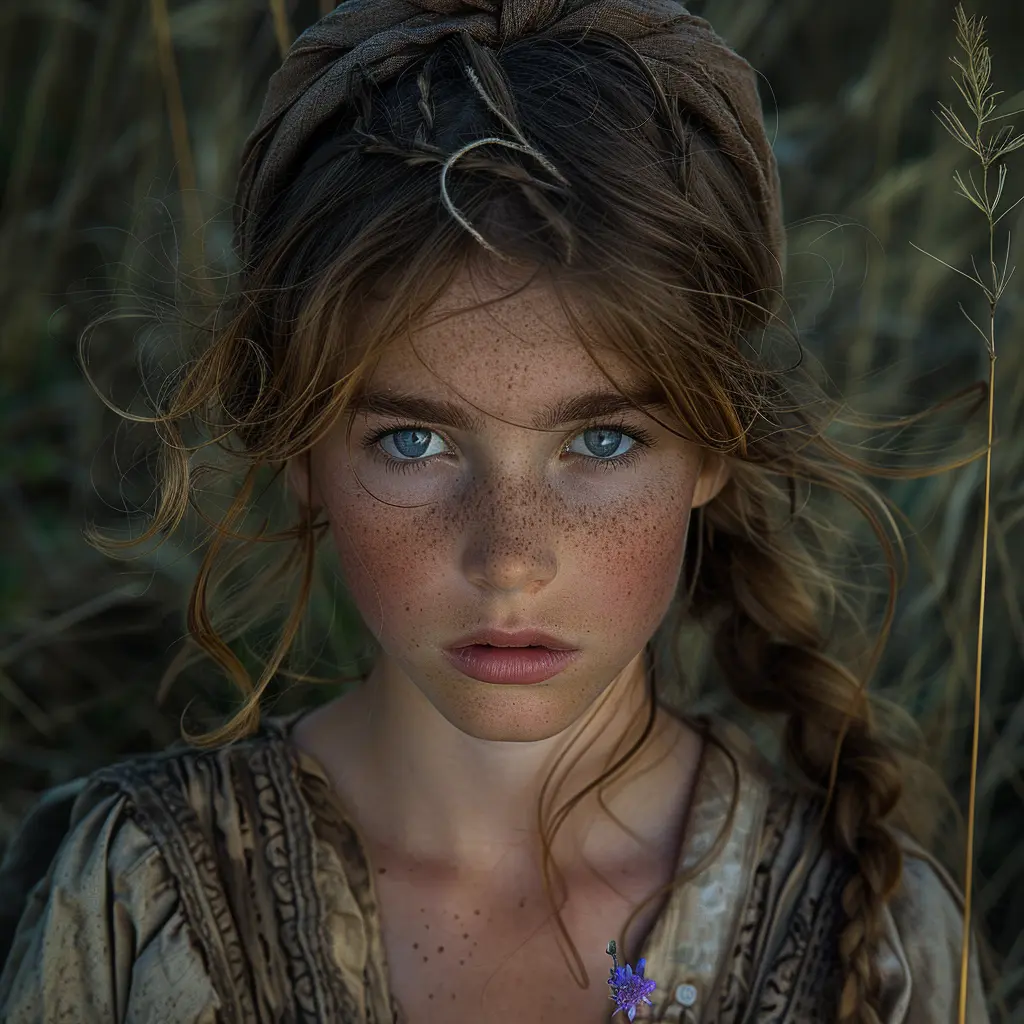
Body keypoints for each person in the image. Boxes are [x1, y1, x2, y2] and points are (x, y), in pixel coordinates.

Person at [0, 0, 994, 1021]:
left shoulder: (871, 938)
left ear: (712, 449)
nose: (509, 558)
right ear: (300, 449)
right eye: (414, 441)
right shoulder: (138, 892)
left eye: (600, 441)